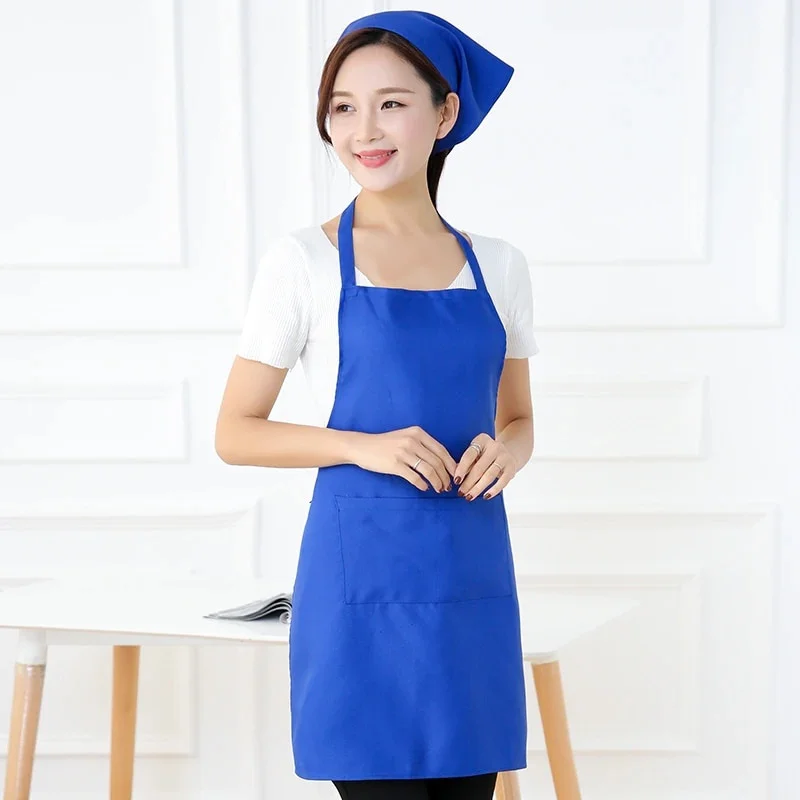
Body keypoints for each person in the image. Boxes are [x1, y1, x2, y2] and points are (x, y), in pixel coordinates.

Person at [215, 10, 539, 800]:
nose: (364, 130)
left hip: (469, 583)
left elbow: (519, 419)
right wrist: (363, 445)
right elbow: (235, 432)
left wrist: (508, 450)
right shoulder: (303, 261)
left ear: (446, 113)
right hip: (358, 591)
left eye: (391, 103)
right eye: (343, 107)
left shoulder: (499, 265)